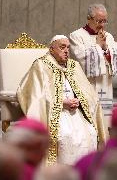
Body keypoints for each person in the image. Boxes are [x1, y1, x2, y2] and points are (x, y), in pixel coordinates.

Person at [17, 35, 106, 165]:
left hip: (76, 111)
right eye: (62, 47)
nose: (66, 51)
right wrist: (61, 102)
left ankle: (82, 170)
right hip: (55, 113)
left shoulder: (73, 66)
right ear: (52, 49)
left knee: (91, 133)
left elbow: (89, 92)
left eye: (68, 48)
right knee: (65, 135)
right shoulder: (41, 65)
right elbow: (33, 94)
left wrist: (79, 100)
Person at [69, 4, 117, 129]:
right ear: (89, 18)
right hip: (86, 85)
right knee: (88, 124)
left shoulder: (108, 36)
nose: (102, 25)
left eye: (104, 21)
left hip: (105, 85)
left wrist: (106, 48)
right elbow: (81, 59)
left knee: (105, 125)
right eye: (98, 21)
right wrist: (98, 46)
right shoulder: (76, 36)